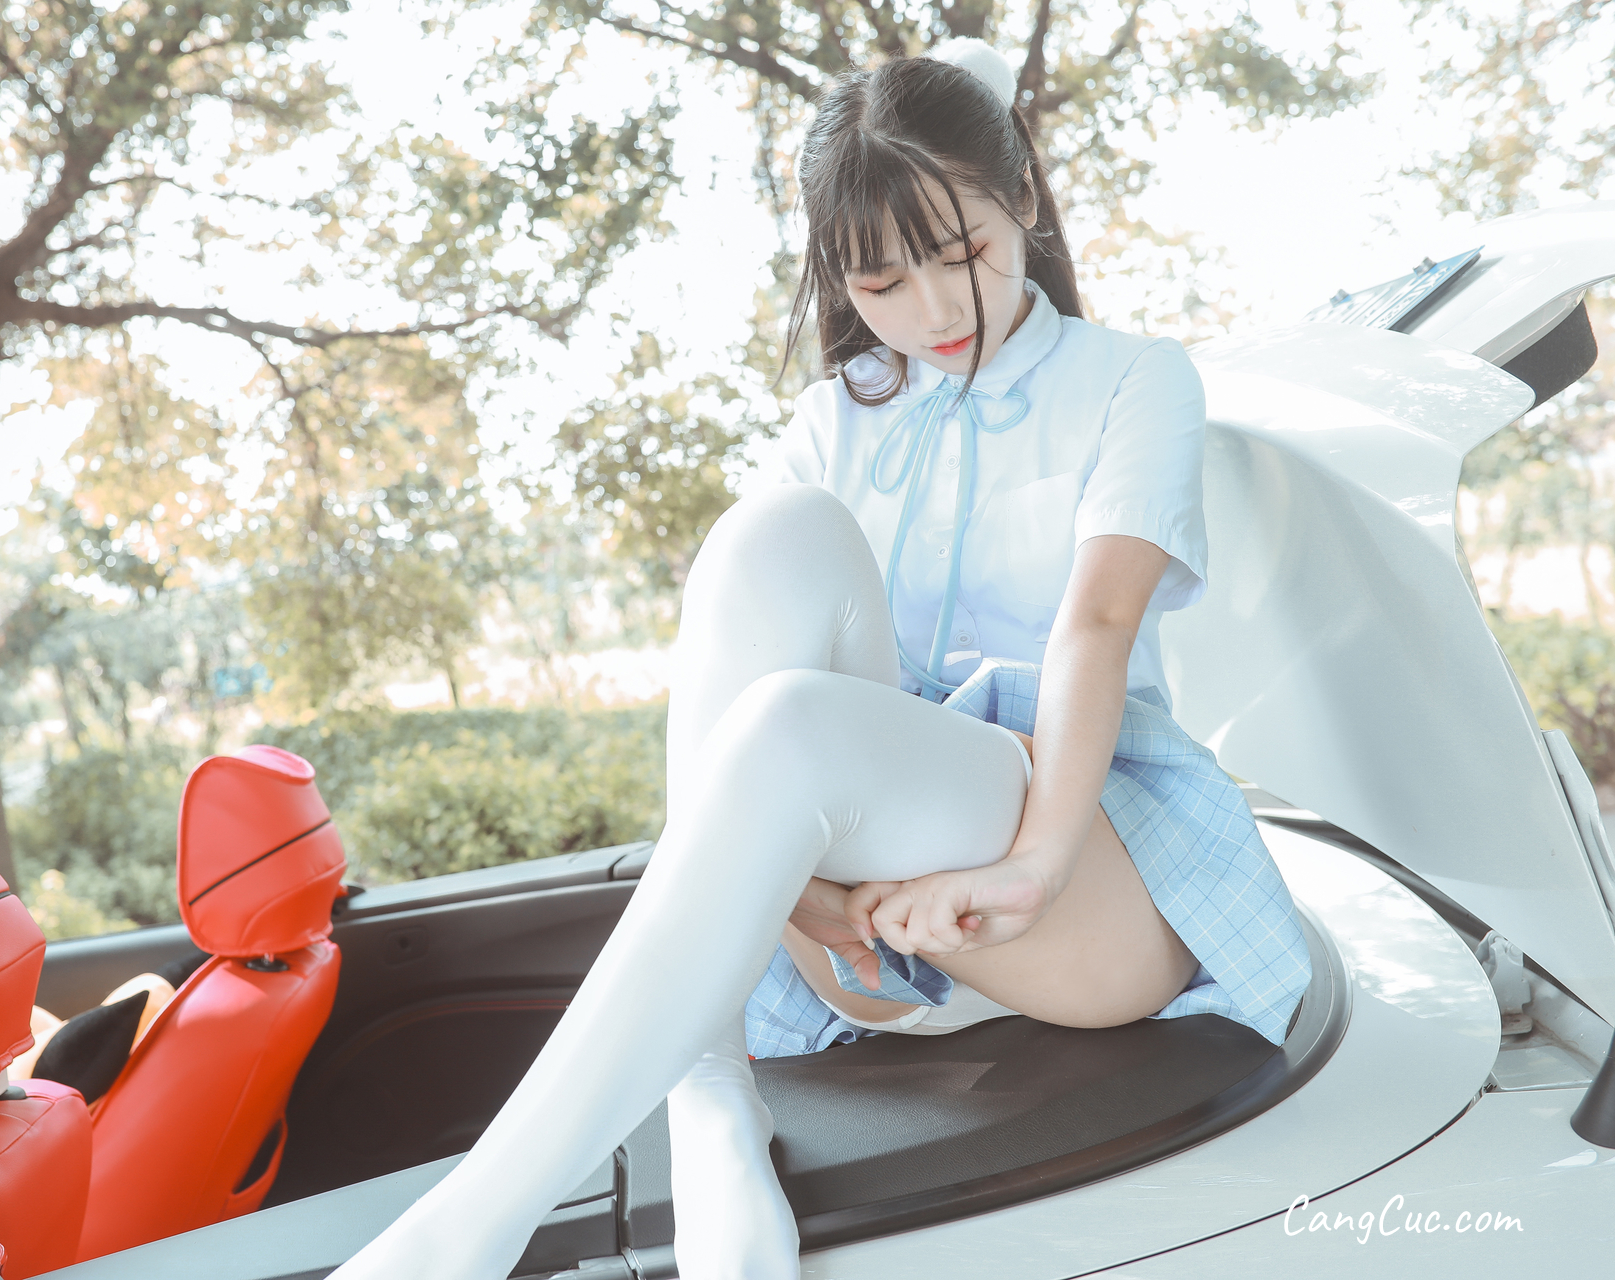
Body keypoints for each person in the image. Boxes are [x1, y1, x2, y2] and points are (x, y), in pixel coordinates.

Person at [335, 38, 1311, 1280]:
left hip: (1079, 866)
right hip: (863, 928)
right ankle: (709, 1086)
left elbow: (1096, 627)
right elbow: (747, 673)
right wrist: (797, 891)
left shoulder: (1133, 378)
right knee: (771, 535)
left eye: (963, 253)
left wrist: (1034, 864)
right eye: (883, 280)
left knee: (795, 718)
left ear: (1022, 194)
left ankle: (463, 1233)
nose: (936, 312)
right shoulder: (833, 416)